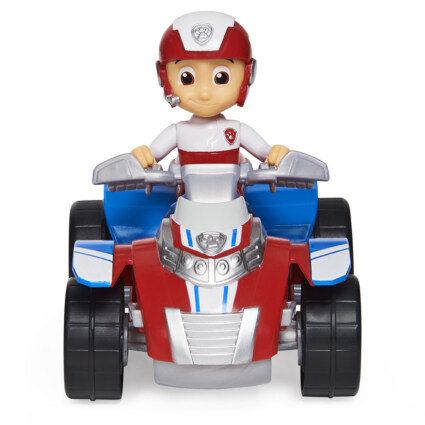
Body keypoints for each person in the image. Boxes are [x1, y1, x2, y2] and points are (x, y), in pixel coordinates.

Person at [131, 11, 289, 168]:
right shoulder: (178, 131)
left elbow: (264, 152)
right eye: (187, 78)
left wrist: (275, 153)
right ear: (164, 78)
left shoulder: (237, 129)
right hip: (185, 184)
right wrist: (143, 155)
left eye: (221, 78)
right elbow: (153, 153)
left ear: (247, 75)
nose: (204, 93)